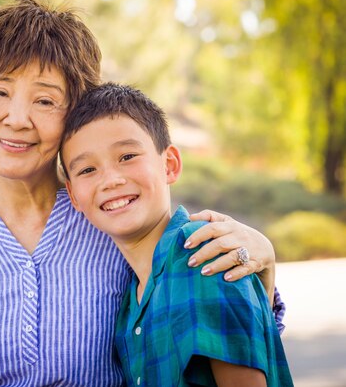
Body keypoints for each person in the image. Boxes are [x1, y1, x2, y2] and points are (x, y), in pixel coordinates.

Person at [0, 0, 283, 386]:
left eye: (44, 100)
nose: (17, 119)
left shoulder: (107, 214)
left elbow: (203, 323)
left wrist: (263, 265)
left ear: (74, 115)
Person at [61, 83, 293, 386]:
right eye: (87, 170)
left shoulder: (201, 254)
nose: (111, 180)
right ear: (73, 196)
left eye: (127, 156)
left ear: (169, 165)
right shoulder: (131, 299)